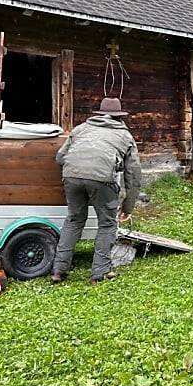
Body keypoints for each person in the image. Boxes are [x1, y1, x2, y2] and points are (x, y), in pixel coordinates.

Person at [51, 97, 142, 284]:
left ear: (99, 114)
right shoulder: (125, 136)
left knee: (74, 219)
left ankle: (58, 271)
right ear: (119, 117)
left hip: (71, 176)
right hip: (102, 179)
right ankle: (99, 274)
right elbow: (133, 175)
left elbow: (60, 157)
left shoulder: (81, 129)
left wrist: (78, 170)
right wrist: (128, 206)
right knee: (107, 224)